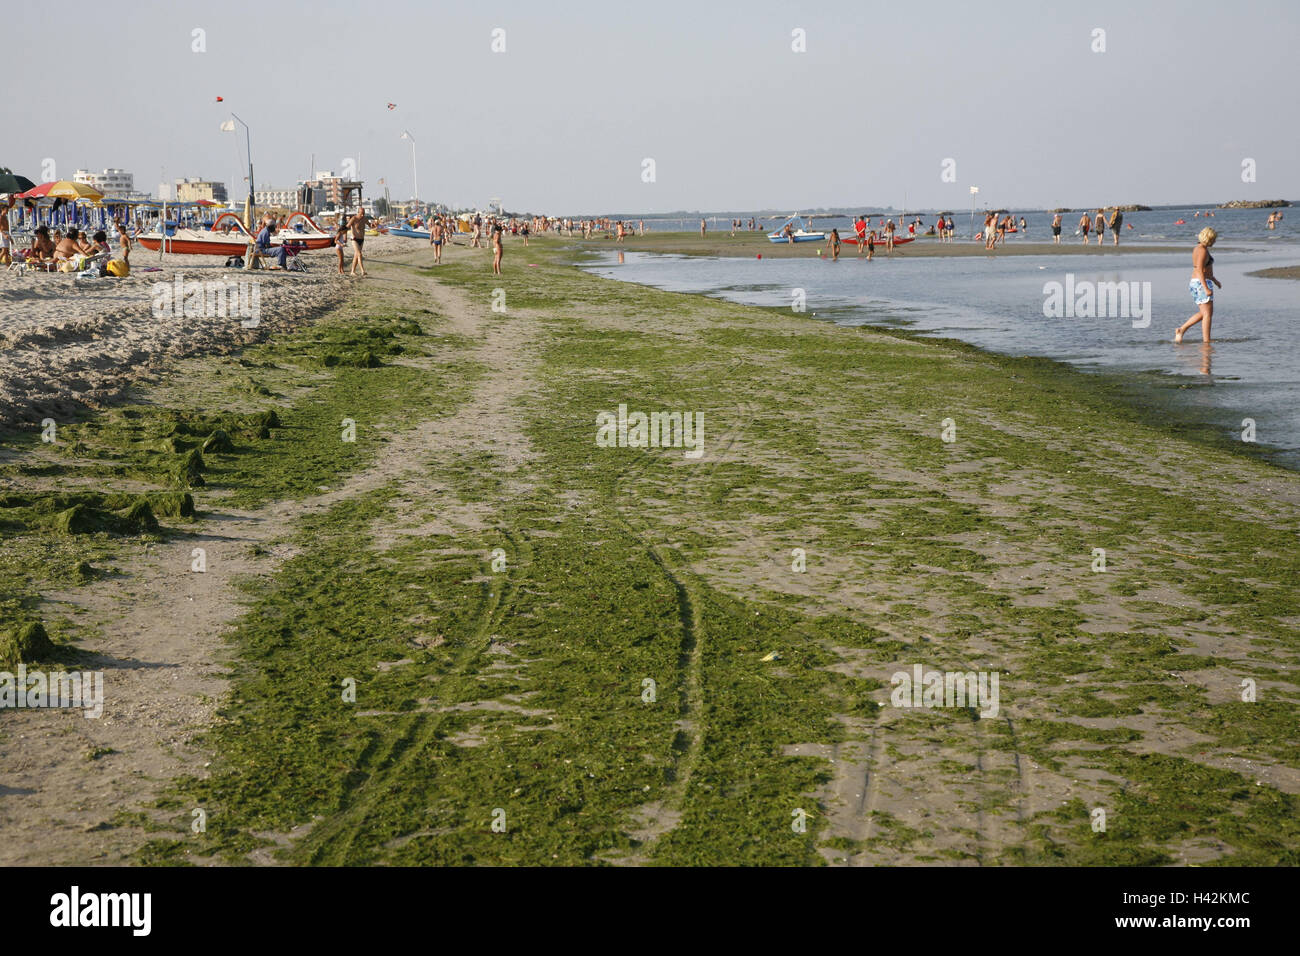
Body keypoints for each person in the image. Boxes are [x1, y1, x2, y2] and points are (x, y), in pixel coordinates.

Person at [1175, 227, 1220, 343]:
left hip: (1200, 282)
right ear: (1208, 238)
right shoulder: (1202, 250)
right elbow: (1199, 270)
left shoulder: (1201, 248)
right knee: (1207, 315)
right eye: (1213, 239)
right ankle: (1206, 341)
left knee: (1205, 313)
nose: (1214, 242)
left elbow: (1206, 269)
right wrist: (1206, 288)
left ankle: (1182, 329)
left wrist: (1215, 280)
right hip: (1201, 283)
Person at [348, 207, 368, 276]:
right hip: (354, 239)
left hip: (361, 239)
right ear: (358, 212)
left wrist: (374, 225)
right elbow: (347, 226)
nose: (362, 215)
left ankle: (352, 271)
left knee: (356, 256)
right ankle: (363, 271)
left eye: (364, 213)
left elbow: (370, 225)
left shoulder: (364, 219)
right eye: (361, 213)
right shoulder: (354, 218)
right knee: (359, 254)